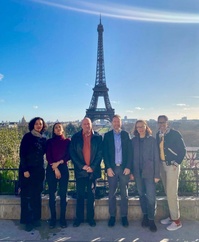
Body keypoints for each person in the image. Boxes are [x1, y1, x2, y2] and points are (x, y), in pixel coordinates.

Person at [70, 117, 102, 227]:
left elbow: (100, 153)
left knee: (91, 196)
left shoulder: (98, 137)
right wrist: (82, 166)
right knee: (80, 195)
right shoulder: (75, 137)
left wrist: (92, 167)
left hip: (92, 171)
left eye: (88, 124)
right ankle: (79, 218)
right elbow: (72, 154)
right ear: (81, 125)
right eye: (84, 124)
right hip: (80, 171)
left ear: (91, 124)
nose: (87, 126)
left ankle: (90, 218)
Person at [156, 115, 186, 231]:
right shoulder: (158, 134)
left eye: (163, 122)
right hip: (162, 165)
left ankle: (177, 221)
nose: (161, 124)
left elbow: (182, 150)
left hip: (172, 166)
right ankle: (172, 216)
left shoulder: (175, 133)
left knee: (172, 193)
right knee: (168, 192)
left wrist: (176, 163)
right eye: (159, 122)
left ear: (167, 123)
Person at [131, 120, 160, 232]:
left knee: (151, 197)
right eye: (138, 127)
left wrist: (157, 174)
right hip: (138, 173)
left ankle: (151, 219)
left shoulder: (152, 140)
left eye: (142, 126)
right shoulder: (133, 141)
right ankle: (145, 215)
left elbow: (156, 158)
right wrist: (132, 173)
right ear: (136, 128)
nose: (140, 129)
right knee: (142, 195)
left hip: (150, 173)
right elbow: (131, 157)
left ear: (146, 127)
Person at [19, 117, 47, 232]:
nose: (39, 125)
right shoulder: (27, 137)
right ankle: (28, 221)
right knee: (27, 196)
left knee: (36, 196)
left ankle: (36, 218)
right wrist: (25, 170)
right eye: (36, 124)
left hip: (38, 171)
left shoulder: (44, 139)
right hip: (27, 171)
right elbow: (22, 154)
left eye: (40, 124)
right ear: (33, 125)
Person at [103, 114, 131, 227]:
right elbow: (105, 153)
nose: (116, 123)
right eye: (114, 121)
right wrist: (108, 167)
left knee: (124, 194)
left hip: (124, 168)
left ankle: (124, 216)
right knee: (111, 194)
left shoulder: (126, 135)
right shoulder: (107, 135)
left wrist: (128, 167)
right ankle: (112, 216)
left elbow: (130, 152)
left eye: (118, 121)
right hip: (112, 168)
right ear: (112, 123)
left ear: (121, 123)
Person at [46, 122, 71, 229]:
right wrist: (55, 168)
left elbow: (69, 155)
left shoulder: (67, 141)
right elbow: (48, 156)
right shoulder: (49, 142)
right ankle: (53, 218)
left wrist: (59, 163)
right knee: (52, 195)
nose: (57, 129)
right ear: (53, 130)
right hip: (52, 168)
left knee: (63, 195)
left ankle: (62, 219)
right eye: (55, 127)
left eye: (59, 127)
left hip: (62, 168)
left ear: (62, 130)